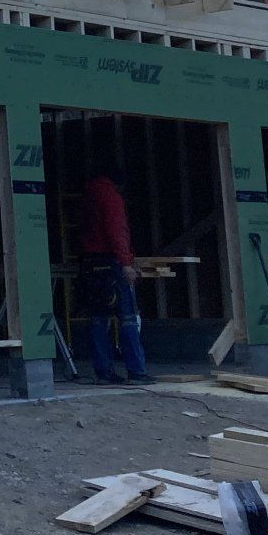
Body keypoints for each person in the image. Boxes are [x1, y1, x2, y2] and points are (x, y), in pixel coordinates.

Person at [77, 162, 153, 384]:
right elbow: (117, 230)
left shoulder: (87, 195)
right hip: (110, 264)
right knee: (128, 318)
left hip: (89, 264)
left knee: (99, 319)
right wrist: (127, 263)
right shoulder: (111, 197)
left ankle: (104, 373)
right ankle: (137, 372)